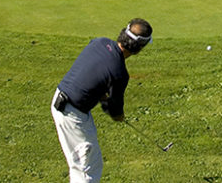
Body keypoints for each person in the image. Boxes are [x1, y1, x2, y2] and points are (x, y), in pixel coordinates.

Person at [51, 18, 153, 182]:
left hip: (61, 98)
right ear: (138, 48)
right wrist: (119, 116)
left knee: (87, 163)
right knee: (87, 168)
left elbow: (93, 68)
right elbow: (114, 109)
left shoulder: (100, 42)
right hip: (72, 114)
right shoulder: (119, 73)